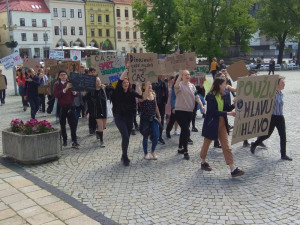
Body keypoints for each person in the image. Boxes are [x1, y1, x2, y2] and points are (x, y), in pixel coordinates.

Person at [200, 77, 245, 177]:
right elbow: (212, 112)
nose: (226, 86)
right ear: (219, 85)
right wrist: (229, 113)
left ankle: (233, 169)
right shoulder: (211, 96)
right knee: (206, 144)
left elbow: (227, 108)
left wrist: (234, 104)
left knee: (226, 146)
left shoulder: (223, 95)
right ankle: (203, 161)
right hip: (212, 123)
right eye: (225, 84)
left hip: (222, 123)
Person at [250, 76, 292, 161]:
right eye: (282, 83)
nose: (284, 84)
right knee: (267, 134)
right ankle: (254, 144)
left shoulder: (281, 93)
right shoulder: (271, 93)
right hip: (272, 117)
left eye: (284, 82)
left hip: (280, 117)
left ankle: (283, 154)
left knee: (283, 136)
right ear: (277, 84)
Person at [111, 63, 142, 166]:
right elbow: (120, 80)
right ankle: (125, 157)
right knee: (125, 135)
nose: (126, 83)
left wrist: (138, 85)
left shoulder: (131, 92)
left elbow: (141, 96)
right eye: (124, 82)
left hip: (129, 117)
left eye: (127, 82)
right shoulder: (117, 92)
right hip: (119, 116)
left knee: (127, 137)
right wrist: (127, 69)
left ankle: (123, 154)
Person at [175, 70, 205, 160]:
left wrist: (201, 105)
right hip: (180, 111)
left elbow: (196, 96)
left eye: (188, 74)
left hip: (189, 111)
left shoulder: (192, 86)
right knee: (185, 129)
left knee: (184, 130)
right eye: (185, 75)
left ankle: (180, 147)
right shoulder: (179, 85)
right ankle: (185, 151)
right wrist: (179, 76)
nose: (187, 76)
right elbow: (175, 86)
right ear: (182, 76)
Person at [53, 70, 79, 149]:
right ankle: (64, 139)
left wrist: (74, 92)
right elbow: (56, 94)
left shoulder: (71, 83)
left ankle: (74, 141)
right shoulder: (57, 84)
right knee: (63, 124)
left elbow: (76, 94)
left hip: (71, 106)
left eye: (65, 75)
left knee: (73, 125)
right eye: (62, 75)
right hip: (62, 107)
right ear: (59, 76)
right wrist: (65, 89)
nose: (64, 76)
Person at [139, 82, 161, 160]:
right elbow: (142, 99)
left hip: (153, 117)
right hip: (145, 118)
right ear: (144, 87)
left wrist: (159, 116)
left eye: (150, 84)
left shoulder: (153, 94)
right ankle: (146, 153)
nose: (150, 85)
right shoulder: (142, 94)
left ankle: (153, 151)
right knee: (145, 136)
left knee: (156, 135)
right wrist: (146, 90)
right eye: (147, 84)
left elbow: (156, 106)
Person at [85, 77, 107, 147]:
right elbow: (85, 99)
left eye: (99, 81)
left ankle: (98, 132)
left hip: (104, 110)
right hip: (96, 110)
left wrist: (104, 89)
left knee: (104, 126)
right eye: (96, 82)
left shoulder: (104, 89)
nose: (98, 83)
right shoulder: (91, 91)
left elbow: (109, 96)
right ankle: (101, 141)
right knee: (100, 126)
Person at [152, 75, 168, 144]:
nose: (164, 76)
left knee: (161, 119)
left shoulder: (165, 81)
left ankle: (160, 136)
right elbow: (155, 87)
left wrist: (163, 82)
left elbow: (166, 90)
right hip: (156, 103)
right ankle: (153, 135)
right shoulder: (154, 81)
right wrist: (161, 82)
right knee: (155, 119)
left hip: (163, 103)